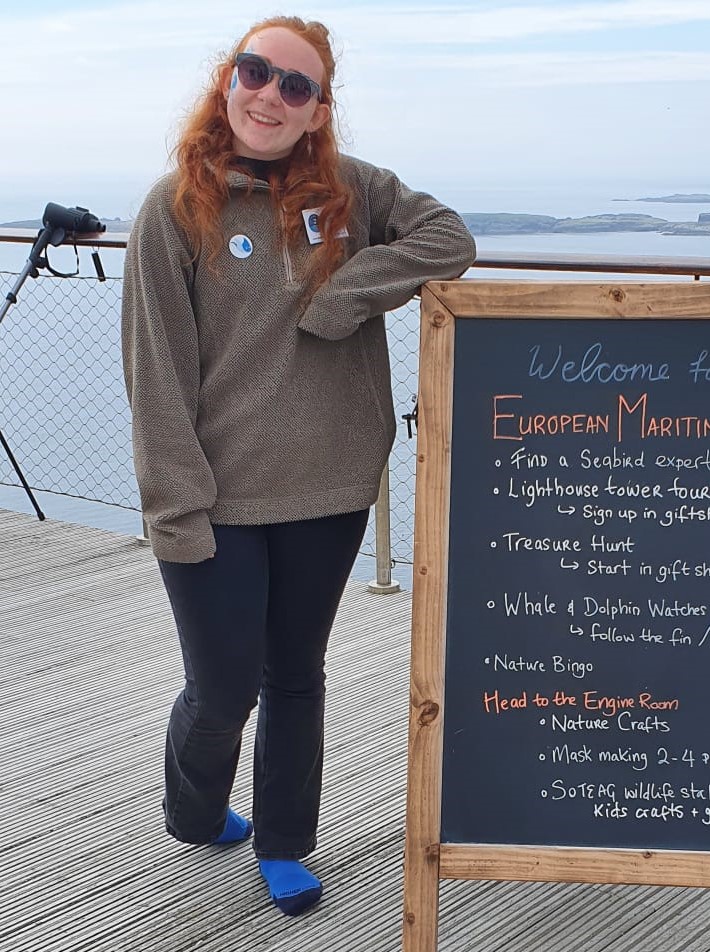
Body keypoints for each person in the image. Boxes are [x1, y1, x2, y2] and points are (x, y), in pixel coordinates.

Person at [121, 15, 475, 916]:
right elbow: (157, 375)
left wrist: (345, 294)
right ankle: (195, 810)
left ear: (318, 109)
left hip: (330, 484)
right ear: (227, 80)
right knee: (222, 687)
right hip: (216, 497)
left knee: (294, 674)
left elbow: (448, 239)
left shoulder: (350, 189)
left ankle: (283, 842)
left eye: (296, 85)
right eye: (256, 72)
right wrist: (175, 507)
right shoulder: (173, 210)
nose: (270, 96)